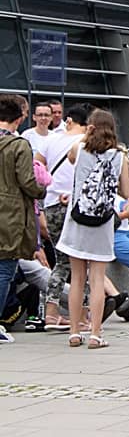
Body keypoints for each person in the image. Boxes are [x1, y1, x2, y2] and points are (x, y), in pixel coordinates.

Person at [56, 109, 127, 349]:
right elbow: (126, 191)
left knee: (77, 278)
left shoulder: (80, 148)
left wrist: (87, 136)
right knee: (97, 279)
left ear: (90, 127)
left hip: (77, 221)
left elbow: (70, 159)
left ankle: (75, 332)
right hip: (102, 224)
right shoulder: (120, 156)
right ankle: (96, 334)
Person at [35, 103, 93, 331]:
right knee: (84, 262)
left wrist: (51, 186)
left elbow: (37, 167)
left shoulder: (50, 140)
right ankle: (83, 316)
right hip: (78, 206)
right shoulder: (88, 143)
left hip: (51, 205)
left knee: (61, 261)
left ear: (69, 121)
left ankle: (51, 312)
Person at [0, 95, 46, 344]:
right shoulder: (19, 145)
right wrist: (41, 190)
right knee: (5, 269)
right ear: (18, 119)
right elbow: (27, 181)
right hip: (9, 214)